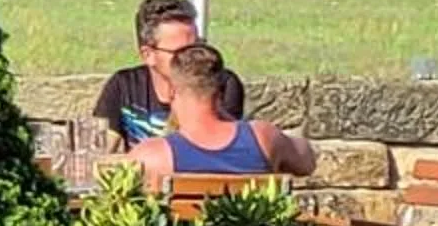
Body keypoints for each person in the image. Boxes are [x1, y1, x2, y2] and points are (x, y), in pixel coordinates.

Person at [126, 44, 315, 188]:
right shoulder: (264, 137)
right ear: (219, 90)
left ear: (172, 91)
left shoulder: (153, 156)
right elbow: (307, 162)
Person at [98, 0, 245, 149]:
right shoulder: (123, 85)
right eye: (181, 52)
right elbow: (102, 149)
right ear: (148, 55)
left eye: (197, 47)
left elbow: (212, 149)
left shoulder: (220, 84)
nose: (193, 58)